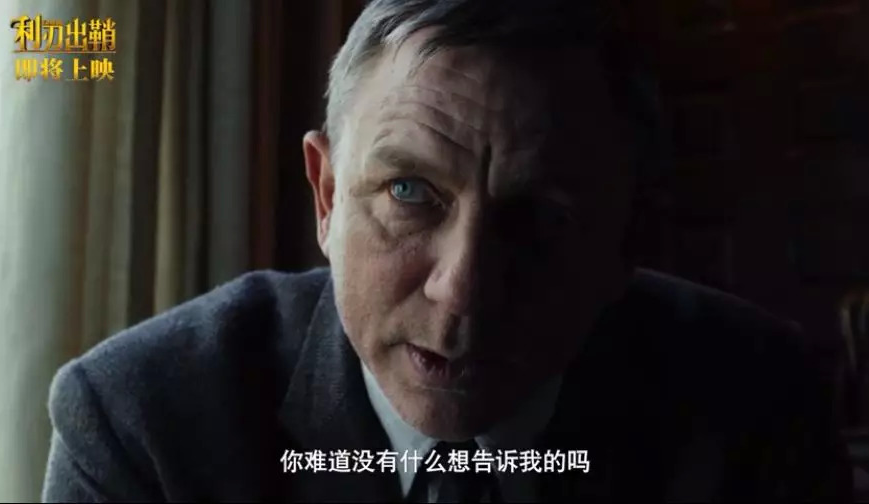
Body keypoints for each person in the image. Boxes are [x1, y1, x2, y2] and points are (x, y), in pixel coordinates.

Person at [42, 0, 852, 501]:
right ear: (326, 195)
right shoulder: (144, 420)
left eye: (539, 219)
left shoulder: (756, 409)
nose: (463, 291)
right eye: (408, 191)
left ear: (626, 240)